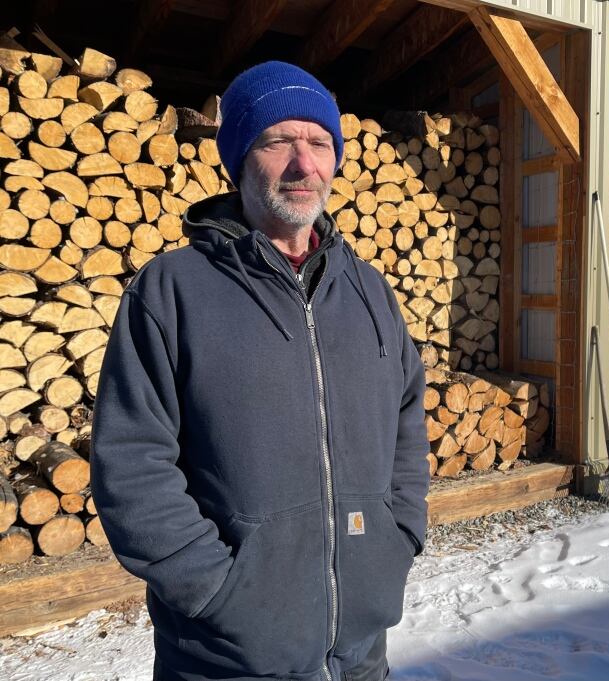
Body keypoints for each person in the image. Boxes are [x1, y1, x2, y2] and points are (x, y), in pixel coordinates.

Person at [90, 61, 430, 681]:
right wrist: (215, 590)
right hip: (226, 658)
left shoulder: (369, 291)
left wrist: (398, 536)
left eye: (320, 143)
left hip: (361, 653)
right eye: (279, 141)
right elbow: (131, 460)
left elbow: (407, 422)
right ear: (240, 158)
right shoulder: (172, 291)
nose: (305, 165)